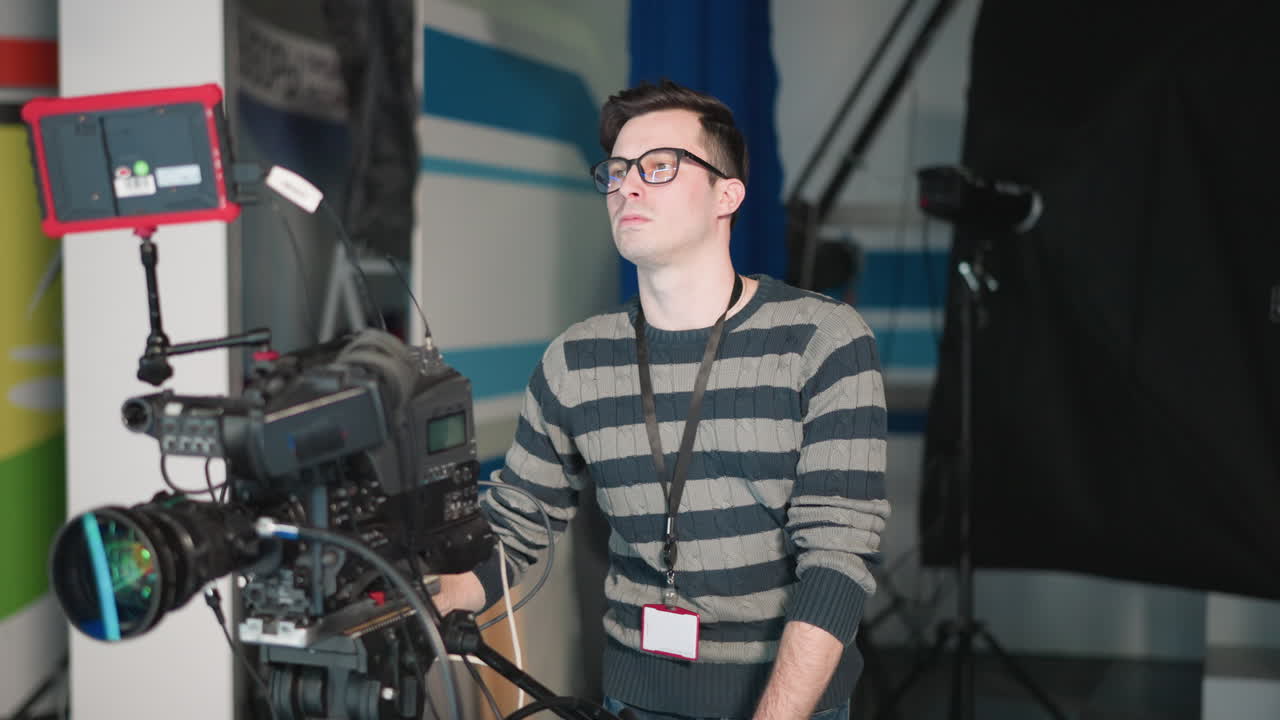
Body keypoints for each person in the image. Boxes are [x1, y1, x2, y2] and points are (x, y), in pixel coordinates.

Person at [437, 80, 888, 720]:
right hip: (636, 697)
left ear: (726, 195)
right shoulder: (575, 360)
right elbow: (518, 524)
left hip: (790, 700)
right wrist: (416, 598)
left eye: (659, 167)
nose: (628, 187)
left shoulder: (821, 339)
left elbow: (838, 559)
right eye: (618, 171)